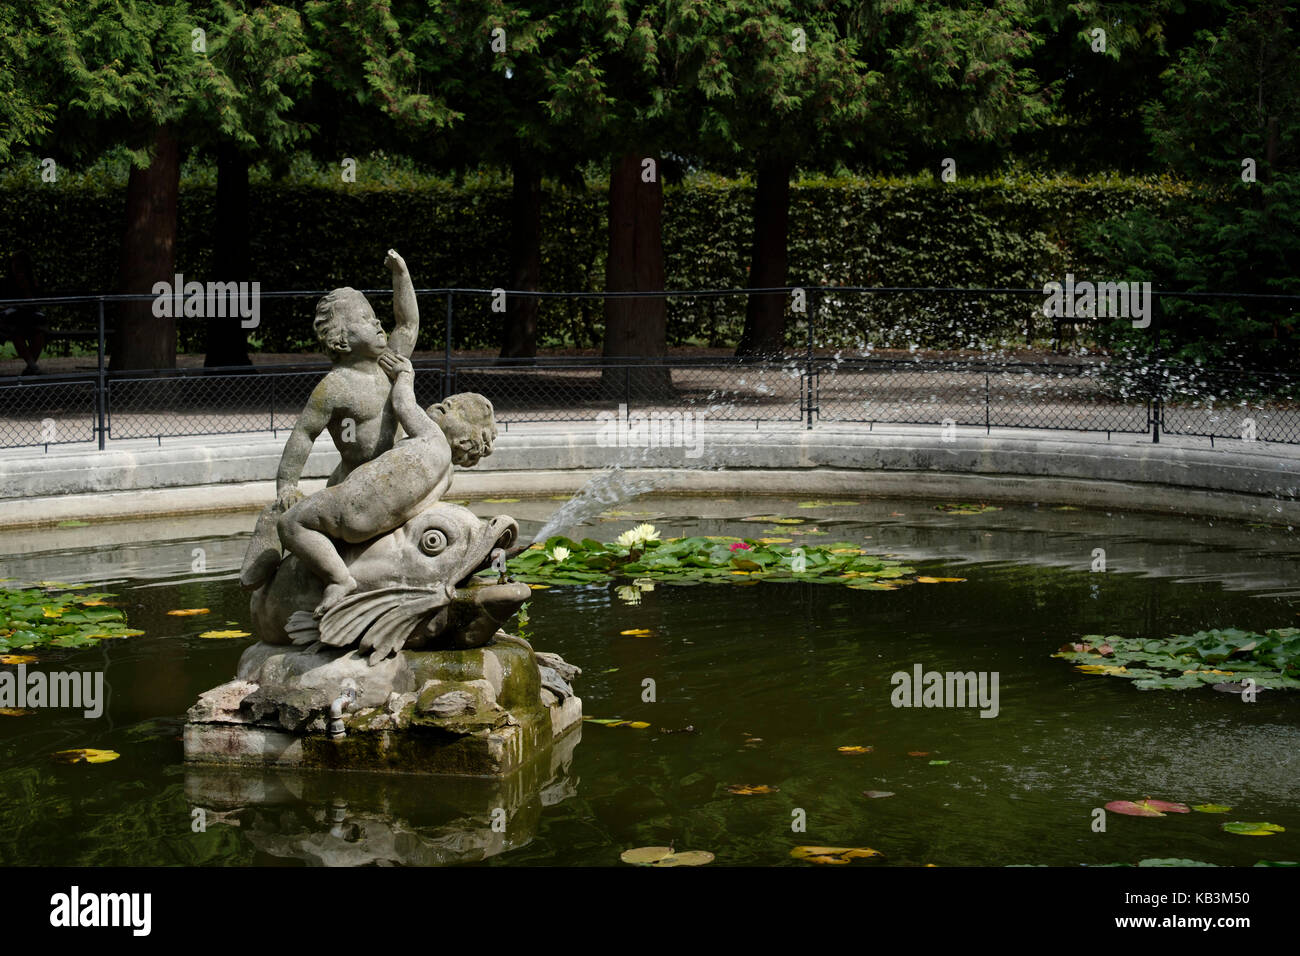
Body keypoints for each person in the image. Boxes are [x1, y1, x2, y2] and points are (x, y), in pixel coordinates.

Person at [276, 352, 496, 614]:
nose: (442, 405)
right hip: (374, 525)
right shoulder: (446, 475)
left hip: (351, 505)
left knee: (291, 523)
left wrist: (405, 375)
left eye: (454, 410)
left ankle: (338, 579)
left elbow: (404, 404)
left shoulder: (431, 436)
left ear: (463, 441)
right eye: (447, 401)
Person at [272, 248, 419, 512]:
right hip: (354, 485)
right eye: (365, 319)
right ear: (340, 340)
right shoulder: (334, 387)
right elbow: (304, 435)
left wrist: (402, 274)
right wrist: (287, 486)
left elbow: (407, 325)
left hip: (396, 479)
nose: (377, 323)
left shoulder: (388, 363)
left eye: (374, 317)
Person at [0, 251, 47, 375]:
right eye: (16, 265)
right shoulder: (5, 283)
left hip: (29, 319)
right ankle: (32, 366)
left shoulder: (31, 282)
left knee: (39, 334)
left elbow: (36, 303)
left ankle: (31, 366)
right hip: (13, 322)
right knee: (16, 333)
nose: (18, 269)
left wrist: (26, 288)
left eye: (21, 266)